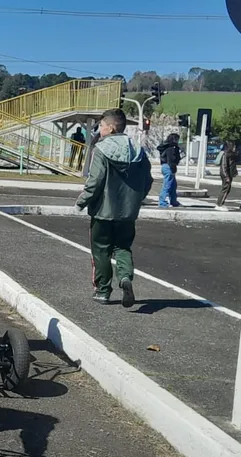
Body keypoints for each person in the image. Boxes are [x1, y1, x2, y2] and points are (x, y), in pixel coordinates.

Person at [76, 108, 152, 308]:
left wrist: (82, 201)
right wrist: (136, 199)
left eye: (101, 126)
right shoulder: (137, 149)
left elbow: (95, 181)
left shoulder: (101, 149)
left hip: (102, 211)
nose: (99, 130)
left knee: (101, 251)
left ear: (110, 127)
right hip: (128, 213)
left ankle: (103, 291)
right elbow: (148, 180)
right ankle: (125, 278)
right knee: (123, 247)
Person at [156, 133, 182, 208]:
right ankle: (162, 202)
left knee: (173, 185)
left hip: (165, 166)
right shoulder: (171, 148)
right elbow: (171, 159)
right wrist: (173, 168)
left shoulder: (166, 147)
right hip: (169, 167)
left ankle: (173, 201)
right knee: (167, 185)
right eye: (177, 139)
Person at [217, 140, 240, 211]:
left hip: (229, 174)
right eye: (233, 146)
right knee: (225, 188)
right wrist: (226, 176)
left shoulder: (231, 154)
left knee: (227, 188)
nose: (234, 147)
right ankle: (219, 204)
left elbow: (234, 162)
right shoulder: (226, 154)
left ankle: (221, 203)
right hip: (226, 174)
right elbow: (224, 166)